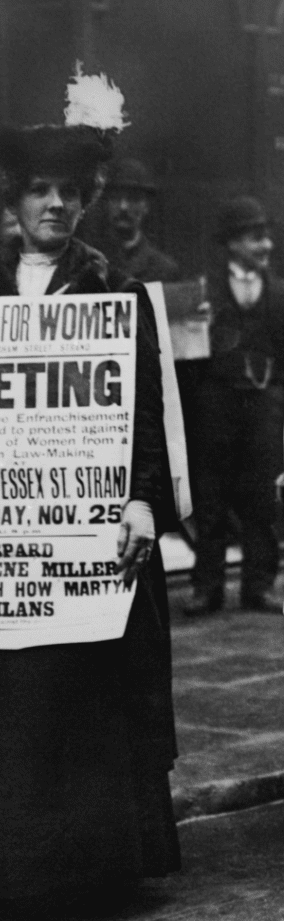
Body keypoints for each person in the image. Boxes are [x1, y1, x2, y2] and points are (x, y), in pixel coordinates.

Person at [0, 114, 181, 916]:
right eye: (38, 190)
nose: (54, 204)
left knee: (82, 700)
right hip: (0, 544)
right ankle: (1, 868)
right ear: (11, 200)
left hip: (89, 537)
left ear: (87, 200)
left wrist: (142, 502)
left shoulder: (116, 293)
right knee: (5, 697)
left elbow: (147, 416)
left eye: (69, 192)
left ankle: (87, 872)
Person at [186, 196, 284, 615]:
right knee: (210, 499)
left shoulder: (279, 294)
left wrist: (276, 400)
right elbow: (187, 354)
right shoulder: (203, 291)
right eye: (254, 237)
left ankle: (258, 586)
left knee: (261, 499)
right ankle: (207, 587)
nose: (265, 246)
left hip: (262, 407)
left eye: (267, 237)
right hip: (216, 406)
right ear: (231, 244)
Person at [98, 158, 182, 290]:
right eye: (116, 198)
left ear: (146, 206)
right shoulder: (88, 264)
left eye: (133, 199)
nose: (123, 207)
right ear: (106, 204)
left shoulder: (164, 270)